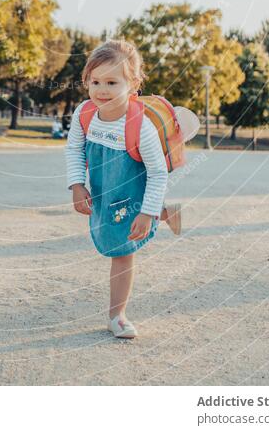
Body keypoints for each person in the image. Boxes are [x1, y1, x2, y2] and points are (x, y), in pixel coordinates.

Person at [65, 38, 186, 340]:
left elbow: (158, 172)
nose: (101, 90)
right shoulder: (84, 113)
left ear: (132, 85)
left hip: (133, 187)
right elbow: (74, 150)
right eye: (95, 81)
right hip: (105, 190)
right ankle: (166, 213)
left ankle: (117, 315)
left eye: (111, 82)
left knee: (121, 249)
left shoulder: (140, 125)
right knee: (112, 229)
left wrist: (145, 213)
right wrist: (77, 184)